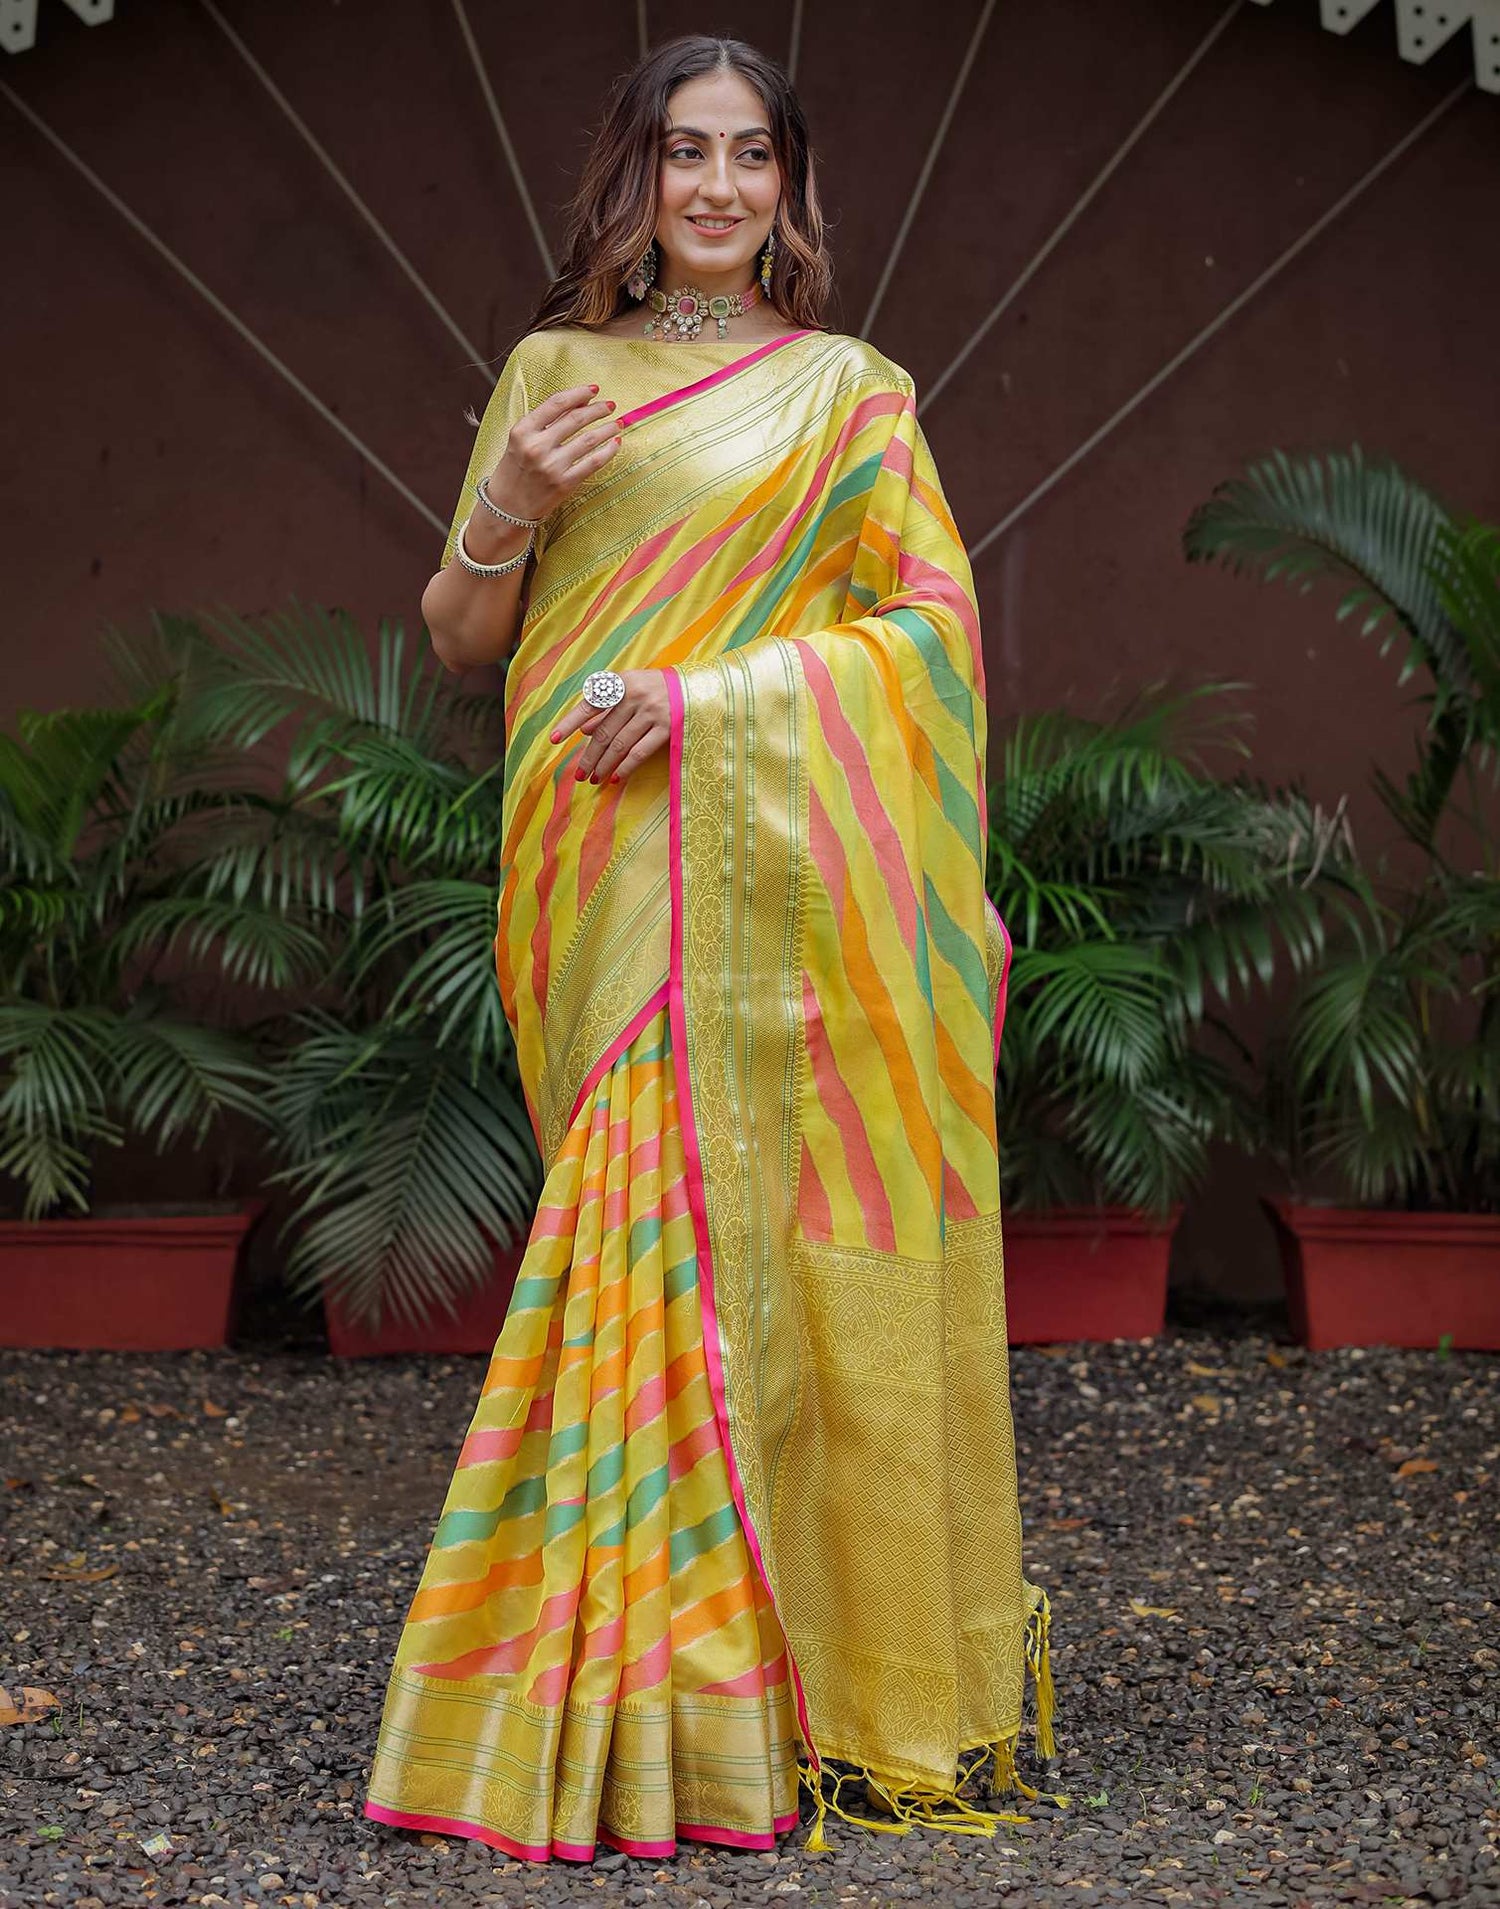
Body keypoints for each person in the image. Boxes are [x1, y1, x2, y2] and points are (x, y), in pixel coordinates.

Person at [362, 31, 1060, 1865]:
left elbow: (930, 636)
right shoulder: (553, 374)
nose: (720, 190)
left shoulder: (851, 392)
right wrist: (511, 489)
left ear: (792, 183)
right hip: (603, 863)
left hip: (792, 876)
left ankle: (779, 1698)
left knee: (780, 1242)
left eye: (752, 156)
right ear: (635, 179)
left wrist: (716, 698)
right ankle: (633, 1701)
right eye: (688, 155)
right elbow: (458, 636)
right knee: (638, 1227)